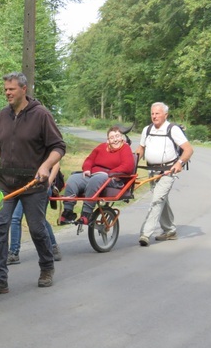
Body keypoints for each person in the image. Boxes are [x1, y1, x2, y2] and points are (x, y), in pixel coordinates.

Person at [0, 72, 66, 297]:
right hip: (6, 183)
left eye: (11, 89)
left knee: (37, 229)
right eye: (5, 89)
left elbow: (58, 147)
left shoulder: (41, 115)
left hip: (33, 184)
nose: (7, 93)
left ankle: (47, 267)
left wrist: (46, 166)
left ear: (23, 89)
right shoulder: (2, 116)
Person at [136, 102, 193, 246]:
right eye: (152, 113)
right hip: (151, 171)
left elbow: (188, 150)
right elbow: (141, 148)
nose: (154, 116)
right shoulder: (147, 129)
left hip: (168, 171)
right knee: (161, 200)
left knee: (157, 200)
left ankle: (145, 233)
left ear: (165, 115)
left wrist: (179, 163)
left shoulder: (172, 129)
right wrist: (132, 161)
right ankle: (170, 231)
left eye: (157, 113)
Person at [59, 126, 135, 225]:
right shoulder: (101, 147)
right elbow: (89, 160)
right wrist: (87, 169)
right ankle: (68, 212)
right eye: (112, 138)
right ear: (108, 140)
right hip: (93, 174)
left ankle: (86, 214)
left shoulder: (125, 148)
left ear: (122, 138)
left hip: (112, 178)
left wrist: (110, 173)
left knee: (98, 178)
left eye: (117, 136)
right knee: (73, 179)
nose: (115, 140)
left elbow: (128, 166)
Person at [8, 163, 63, 264]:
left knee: (38, 219)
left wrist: (49, 183)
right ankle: (13, 253)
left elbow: (56, 164)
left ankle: (53, 246)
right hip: (22, 186)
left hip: (40, 186)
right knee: (15, 218)